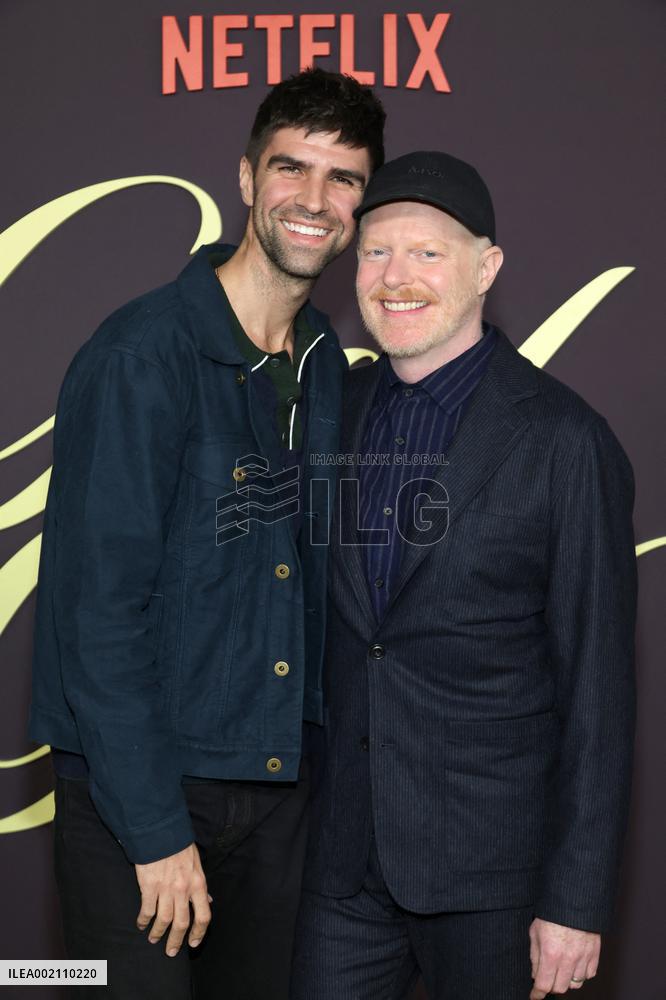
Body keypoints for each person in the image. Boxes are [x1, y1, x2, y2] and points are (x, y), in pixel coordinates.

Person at [28, 68, 385, 999]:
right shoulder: (142, 355)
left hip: (277, 792)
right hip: (141, 797)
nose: (314, 200)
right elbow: (95, 616)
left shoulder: (329, 371)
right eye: (291, 168)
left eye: (343, 178)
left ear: (362, 202)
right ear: (245, 179)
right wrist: (153, 830)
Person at [290, 151, 637, 1000]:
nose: (394, 278)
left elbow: (599, 689)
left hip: (496, 885)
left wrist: (577, 900)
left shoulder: (564, 441)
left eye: (427, 253)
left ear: (487, 268)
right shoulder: (343, 407)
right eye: (374, 253)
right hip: (343, 870)